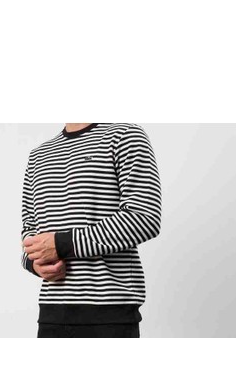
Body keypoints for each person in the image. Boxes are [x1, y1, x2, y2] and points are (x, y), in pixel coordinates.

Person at [21, 123, 162, 338]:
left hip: (110, 314)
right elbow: (29, 232)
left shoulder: (124, 136)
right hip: (51, 314)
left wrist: (61, 244)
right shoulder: (38, 156)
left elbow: (144, 217)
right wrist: (34, 264)